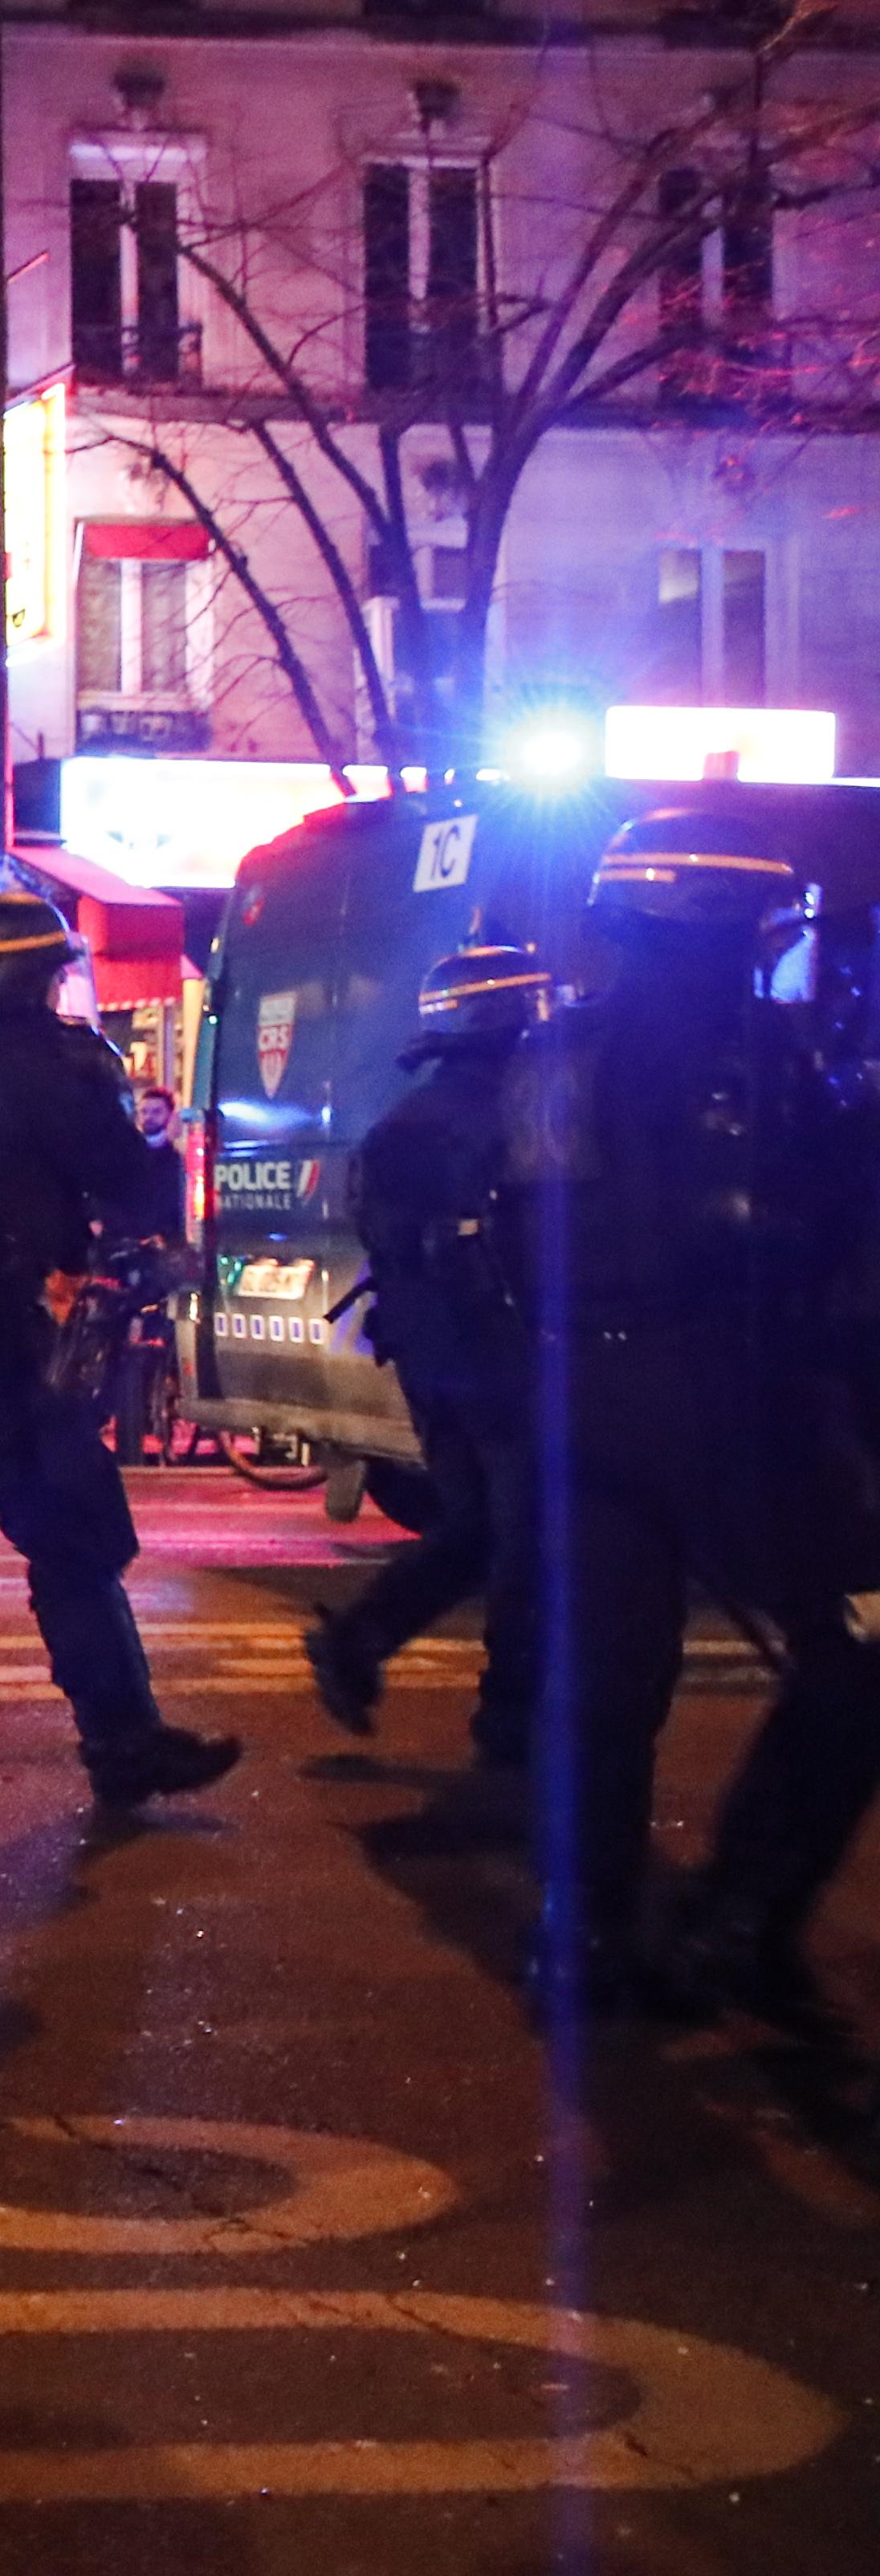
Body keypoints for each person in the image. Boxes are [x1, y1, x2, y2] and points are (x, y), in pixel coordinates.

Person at [497, 813, 877, 2025]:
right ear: (720, 928)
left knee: (607, 1678)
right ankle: (743, 1915)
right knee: (856, 1654)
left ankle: (585, 1930)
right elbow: (756, 1229)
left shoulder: (549, 1052)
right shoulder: (740, 1052)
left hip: (576, 1390)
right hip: (714, 1387)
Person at [0, 889, 243, 1813]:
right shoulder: (47, 1066)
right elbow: (126, 1175)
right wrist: (164, 1159)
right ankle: (122, 1738)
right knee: (78, 1531)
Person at [304, 935, 545, 1765]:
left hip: (437, 1365)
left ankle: (361, 1640)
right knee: (529, 1542)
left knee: (478, 1529)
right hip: (508, 1365)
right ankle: (510, 1733)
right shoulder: (510, 1116)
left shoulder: (408, 1119)